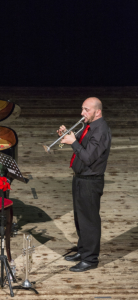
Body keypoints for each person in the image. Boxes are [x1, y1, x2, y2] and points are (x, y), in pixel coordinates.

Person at [57, 97, 111, 272]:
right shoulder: (89, 127)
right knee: (80, 219)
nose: (82, 113)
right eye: (82, 109)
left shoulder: (101, 130)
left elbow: (87, 157)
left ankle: (90, 259)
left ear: (98, 112)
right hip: (80, 178)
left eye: (86, 110)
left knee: (89, 221)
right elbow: (79, 142)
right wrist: (67, 135)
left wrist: (73, 142)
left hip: (91, 181)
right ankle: (83, 250)